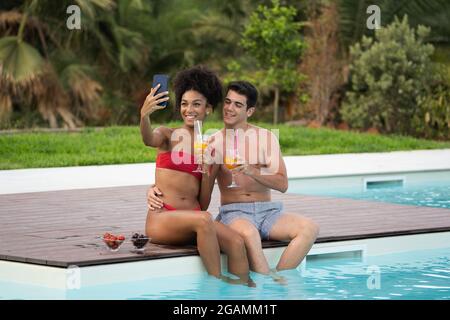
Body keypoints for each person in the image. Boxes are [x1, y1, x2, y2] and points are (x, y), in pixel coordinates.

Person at [148, 81, 320, 278]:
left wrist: (251, 171)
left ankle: (280, 277)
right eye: (228, 102)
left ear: (250, 111)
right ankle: (267, 283)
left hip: (268, 212)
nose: (229, 108)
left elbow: (282, 184)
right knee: (249, 234)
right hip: (235, 213)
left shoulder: (265, 138)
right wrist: (153, 188)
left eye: (238, 105)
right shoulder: (212, 144)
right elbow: (194, 187)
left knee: (310, 228)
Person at [140, 66, 252, 285]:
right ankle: (217, 287)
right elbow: (147, 139)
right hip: (163, 219)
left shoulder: (212, 150)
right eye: (184, 103)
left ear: (208, 108)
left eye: (196, 104)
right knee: (203, 220)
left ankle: (244, 293)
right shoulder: (167, 135)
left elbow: (203, 204)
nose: (189, 109)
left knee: (236, 242)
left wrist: (208, 170)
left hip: (196, 219)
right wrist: (144, 115)